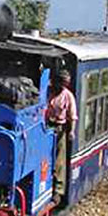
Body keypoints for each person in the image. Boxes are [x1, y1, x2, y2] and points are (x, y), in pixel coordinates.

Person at [46, 70, 78, 201]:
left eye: (65, 84)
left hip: (59, 129)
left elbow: (73, 116)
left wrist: (71, 131)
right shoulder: (48, 91)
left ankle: (58, 189)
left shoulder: (68, 96)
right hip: (46, 126)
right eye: (61, 83)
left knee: (59, 160)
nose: (62, 86)